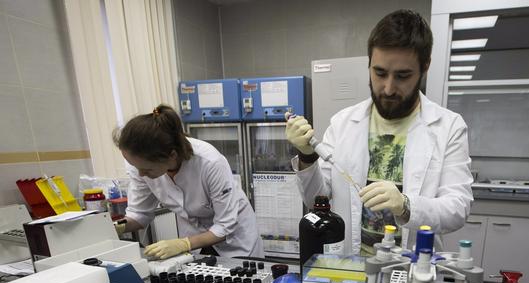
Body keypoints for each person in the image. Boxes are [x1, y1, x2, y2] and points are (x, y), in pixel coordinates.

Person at [286, 9, 473, 255]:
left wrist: (406, 206)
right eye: (380, 73)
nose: (388, 88)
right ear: (369, 64)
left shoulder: (448, 127)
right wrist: (308, 156)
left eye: (402, 76)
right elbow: (316, 200)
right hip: (352, 267)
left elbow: (457, 209)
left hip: (411, 270)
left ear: (424, 67)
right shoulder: (343, 122)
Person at [114, 104, 264, 259]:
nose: (140, 174)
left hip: (235, 242)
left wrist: (183, 244)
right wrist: (115, 227)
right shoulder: (139, 162)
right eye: (135, 167)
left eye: (148, 169)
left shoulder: (209, 162)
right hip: (195, 243)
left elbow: (225, 226)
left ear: (171, 155)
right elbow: (139, 214)